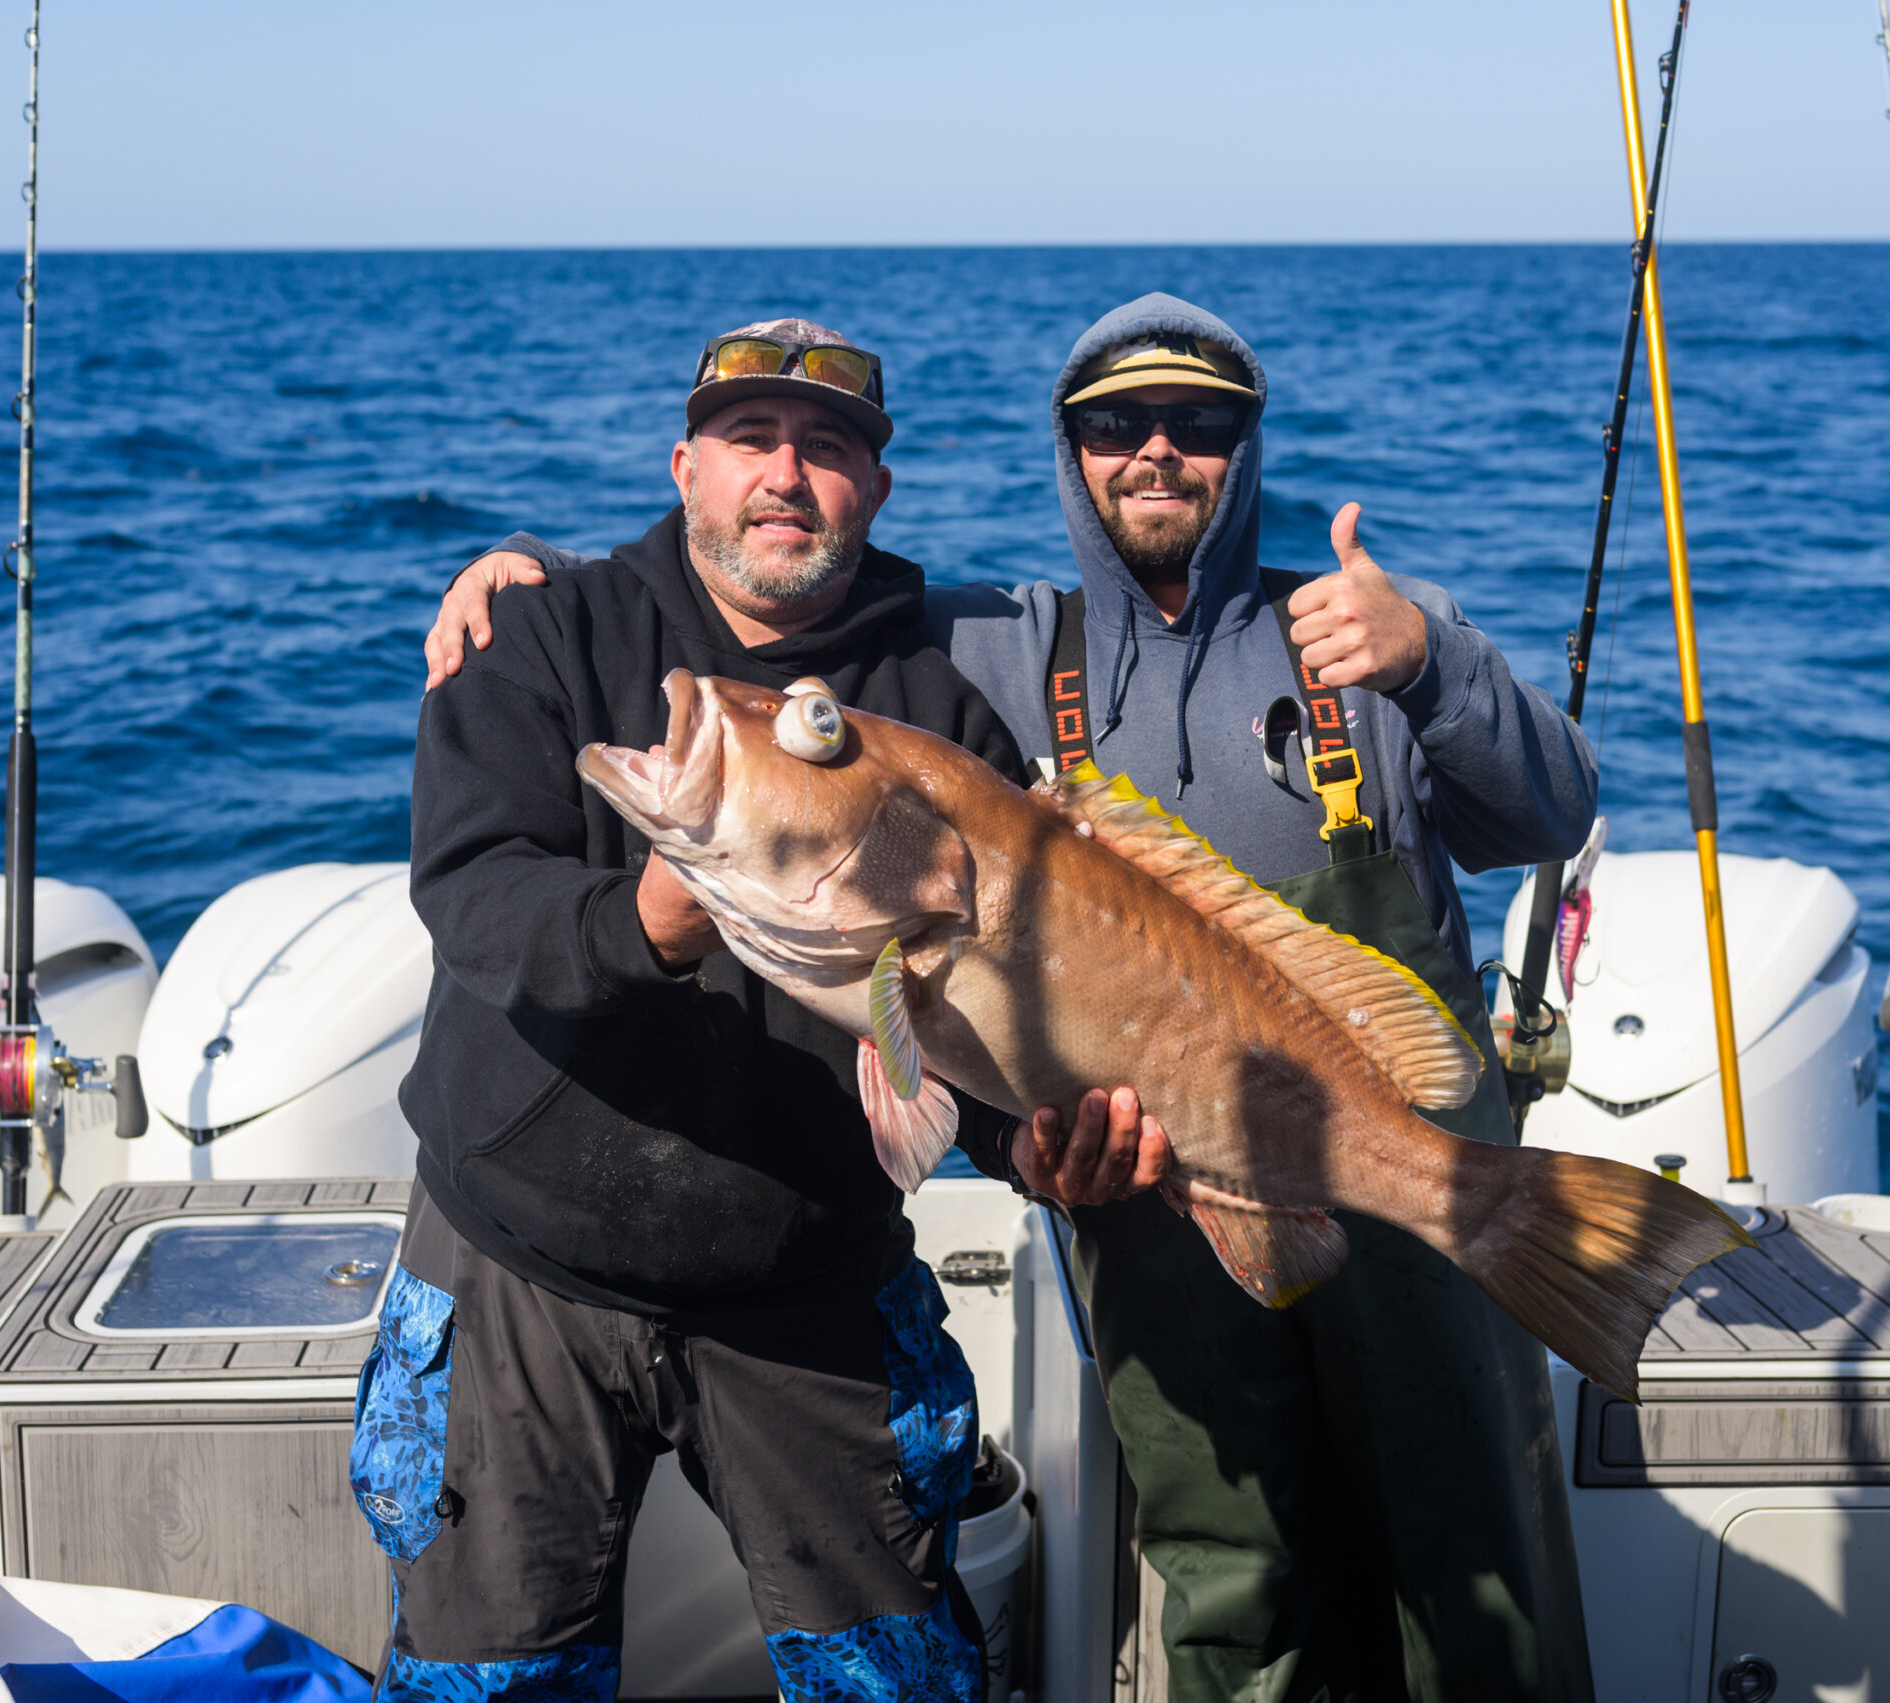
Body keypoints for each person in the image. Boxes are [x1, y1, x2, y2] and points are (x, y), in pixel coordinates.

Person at [433, 296, 1601, 1701]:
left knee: (1475, 1569)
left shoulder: (1353, 628)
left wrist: (1431, 659)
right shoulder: (991, 637)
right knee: (1236, 1571)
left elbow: (1549, 809)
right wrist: (527, 571)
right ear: (1069, 452)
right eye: (1114, 425)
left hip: (1391, 1159)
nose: (1154, 453)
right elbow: (774, 592)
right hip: (1162, 1212)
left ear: (1246, 446)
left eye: (1199, 423)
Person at [377, 318, 1159, 1703]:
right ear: (686, 466)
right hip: (520, 1268)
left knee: (901, 1679)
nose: (786, 475)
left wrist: (1027, 1146)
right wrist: (647, 921)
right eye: (750, 440)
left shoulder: (938, 717)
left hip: (808, 1289)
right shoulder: (539, 632)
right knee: (484, 1683)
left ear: (877, 490)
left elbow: (957, 1009)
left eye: (831, 448)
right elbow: (473, 893)